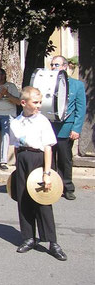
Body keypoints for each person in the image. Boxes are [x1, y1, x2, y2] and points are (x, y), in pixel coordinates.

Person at [9, 86, 67, 261]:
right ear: (23, 103)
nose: (39, 105)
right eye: (35, 102)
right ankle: (28, 237)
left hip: (39, 159)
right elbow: (16, 147)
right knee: (24, 199)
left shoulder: (42, 121)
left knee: (43, 201)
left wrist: (47, 173)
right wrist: (17, 169)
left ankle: (52, 242)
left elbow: (48, 147)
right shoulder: (17, 121)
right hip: (23, 160)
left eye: (40, 102)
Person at [50, 56, 86, 200]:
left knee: (65, 159)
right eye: (52, 65)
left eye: (56, 64)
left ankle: (67, 187)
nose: (53, 67)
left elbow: (80, 108)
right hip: (50, 127)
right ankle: (53, 186)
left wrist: (76, 128)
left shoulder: (77, 85)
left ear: (65, 66)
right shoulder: (48, 83)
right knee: (49, 159)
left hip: (66, 127)